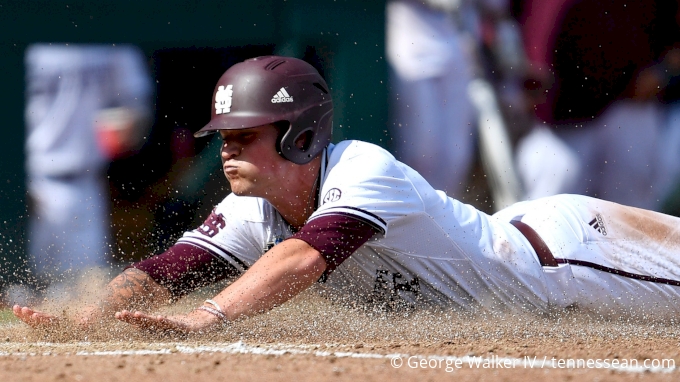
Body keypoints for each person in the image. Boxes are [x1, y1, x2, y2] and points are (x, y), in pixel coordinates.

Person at [13, 56, 680, 333]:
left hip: (567, 261)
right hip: (527, 247)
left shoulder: (363, 168)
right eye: (225, 136)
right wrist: (91, 313)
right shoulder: (249, 212)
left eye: (248, 135)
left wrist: (207, 319)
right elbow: (163, 273)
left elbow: (303, 259)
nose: (229, 148)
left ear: (301, 136)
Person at [14, 44, 153, 305]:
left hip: (84, 183)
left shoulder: (108, 41)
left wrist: (125, 125)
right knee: (19, 292)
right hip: (28, 179)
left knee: (83, 292)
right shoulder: (26, 36)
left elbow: (137, 105)